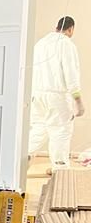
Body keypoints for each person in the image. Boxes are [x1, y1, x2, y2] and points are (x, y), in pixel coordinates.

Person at [28, 16, 84, 169]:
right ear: (71, 29)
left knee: (39, 129)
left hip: (37, 95)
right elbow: (71, 73)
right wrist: (78, 101)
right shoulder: (67, 44)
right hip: (57, 96)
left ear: (56, 27)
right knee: (61, 131)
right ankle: (60, 169)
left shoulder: (40, 44)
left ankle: (23, 158)